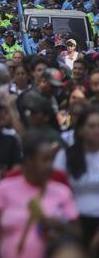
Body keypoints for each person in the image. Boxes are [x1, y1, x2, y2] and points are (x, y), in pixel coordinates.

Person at [0, 131, 81, 258]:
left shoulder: (62, 192)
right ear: (29, 160)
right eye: (44, 160)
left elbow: (77, 234)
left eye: (51, 160)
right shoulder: (4, 188)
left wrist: (60, 225)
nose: (50, 166)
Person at [54, 106, 99, 253]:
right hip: (72, 222)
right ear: (80, 130)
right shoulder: (65, 156)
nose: (96, 130)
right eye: (92, 126)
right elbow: (55, 190)